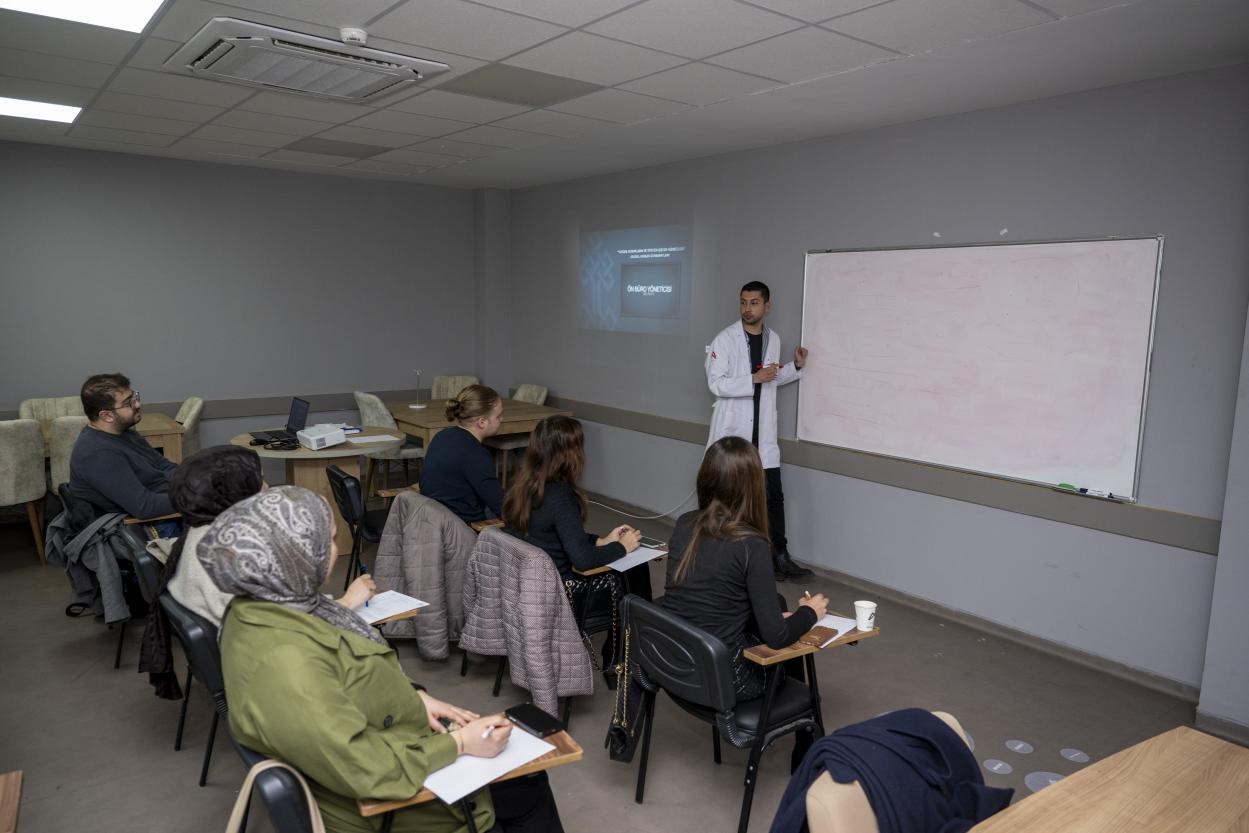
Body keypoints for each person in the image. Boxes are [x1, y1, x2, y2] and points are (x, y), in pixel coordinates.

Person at [202, 486, 565, 833]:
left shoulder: (261, 608)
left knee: (527, 782)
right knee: (528, 783)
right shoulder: (286, 663)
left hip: (385, 744)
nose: (333, 548)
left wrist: (414, 697)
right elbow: (365, 769)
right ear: (294, 558)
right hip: (387, 806)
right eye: (327, 541)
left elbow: (344, 678)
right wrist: (460, 744)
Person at [661, 436, 828, 701]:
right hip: (726, 678)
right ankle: (802, 715)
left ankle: (802, 719)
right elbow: (777, 638)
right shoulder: (751, 544)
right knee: (791, 632)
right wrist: (810, 613)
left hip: (675, 663)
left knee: (776, 601)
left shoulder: (685, 523)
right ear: (753, 486)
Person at [502, 416, 651, 674]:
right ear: (571, 453)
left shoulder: (522, 484)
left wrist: (602, 541)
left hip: (527, 583)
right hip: (563, 590)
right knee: (635, 570)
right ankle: (623, 659)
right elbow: (581, 561)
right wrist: (622, 547)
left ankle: (625, 654)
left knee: (624, 561)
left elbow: (553, 537)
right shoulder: (561, 495)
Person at [706, 281, 813, 581]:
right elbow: (716, 383)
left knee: (773, 498)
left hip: (762, 437)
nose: (747, 308)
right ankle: (730, 560)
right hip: (733, 435)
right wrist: (753, 377)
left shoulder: (773, 339)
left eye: (754, 302)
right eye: (743, 302)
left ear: (767, 306)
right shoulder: (725, 340)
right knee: (730, 500)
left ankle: (779, 556)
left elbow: (771, 379)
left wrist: (796, 366)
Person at [69, 373, 179, 535]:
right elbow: (145, 507)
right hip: (149, 527)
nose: (138, 404)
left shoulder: (125, 433)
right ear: (107, 415)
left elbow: (165, 466)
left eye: (134, 397)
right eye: (128, 403)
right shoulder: (97, 453)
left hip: (168, 504)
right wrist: (198, 496)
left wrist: (195, 484)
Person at [419, 384, 505, 525]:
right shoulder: (476, 454)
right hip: (461, 529)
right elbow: (500, 506)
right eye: (498, 416)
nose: (501, 419)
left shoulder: (442, 435)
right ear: (482, 422)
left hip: (430, 522)